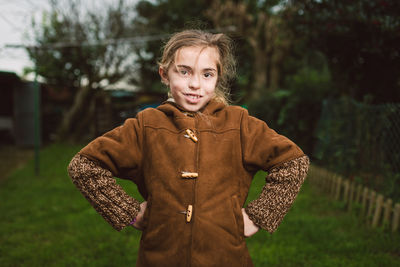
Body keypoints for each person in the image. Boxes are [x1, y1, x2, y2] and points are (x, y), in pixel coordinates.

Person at [68, 29, 309, 267]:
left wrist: (259, 216)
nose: (195, 84)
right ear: (164, 74)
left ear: (218, 77)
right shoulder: (145, 125)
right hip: (159, 257)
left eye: (207, 75)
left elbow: (293, 162)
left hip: (226, 257)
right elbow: (84, 166)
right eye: (184, 72)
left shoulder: (239, 124)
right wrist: (127, 210)